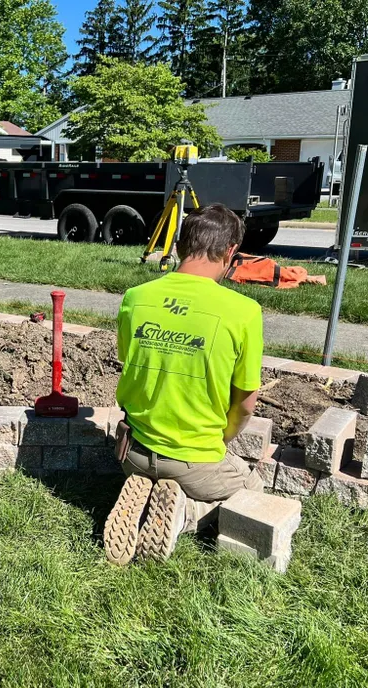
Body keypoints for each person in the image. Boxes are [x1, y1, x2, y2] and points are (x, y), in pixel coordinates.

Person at [104, 204, 265, 565]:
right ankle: (185, 516)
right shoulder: (243, 312)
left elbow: (131, 361)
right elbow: (245, 403)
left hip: (133, 451)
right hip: (195, 460)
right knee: (253, 491)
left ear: (177, 247)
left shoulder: (135, 298)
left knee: (159, 466)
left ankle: (147, 493)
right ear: (230, 252)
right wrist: (219, 440)